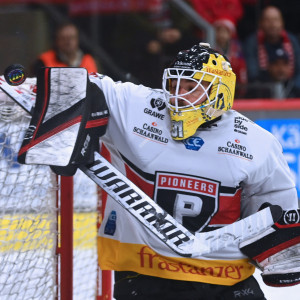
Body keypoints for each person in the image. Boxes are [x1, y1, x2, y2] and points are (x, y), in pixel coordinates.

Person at [16, 43, 300, 299]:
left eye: (190, 87)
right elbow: (76, 83)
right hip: (145, 277)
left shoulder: (256, 142)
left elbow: (275, 207)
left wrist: (282, 256)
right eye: (174, 85)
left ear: (220, 92)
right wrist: (29, 96)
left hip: (225, 278)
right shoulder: (137, 107)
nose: (177, 96)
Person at [243, 5, 300, 97]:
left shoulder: (292, 40)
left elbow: (299, 70)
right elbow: (253, 74)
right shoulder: (252, 42)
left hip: (292, 90)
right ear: (260, 23)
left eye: (276, 20)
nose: (272, 24)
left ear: (282, 23)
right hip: (263, 91)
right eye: (268, 20)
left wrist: (293, 90)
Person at [32, 22, 98, 75]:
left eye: (72, 38)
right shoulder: (44, 60)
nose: (68, 42)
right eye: (64, 38)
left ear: (77, 39)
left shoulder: (89, 60)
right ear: (57, 40)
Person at [213, 18, 248, 96]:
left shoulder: (237, 50)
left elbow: (242, 68)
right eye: (219, 31)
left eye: (225, 31)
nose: (222, 35)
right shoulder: (211, 49)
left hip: (234, 88)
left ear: (230, 34)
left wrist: (242, 86)